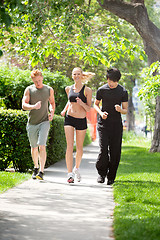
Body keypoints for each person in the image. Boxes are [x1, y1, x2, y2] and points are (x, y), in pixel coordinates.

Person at [94, 68, 128, 185]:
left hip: (116, 126)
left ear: (117, 80)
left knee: (115, 152)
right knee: (103, 150)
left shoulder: (123, 92)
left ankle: (111, 177)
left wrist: (120, 110)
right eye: (109, 81)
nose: (110, 83)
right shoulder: (101, 90)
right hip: (103, 125)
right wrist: (101, 113)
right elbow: (96, 104)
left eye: (113, 81)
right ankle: (101, 174)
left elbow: (125, 110)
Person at [61, 67, 94, 183]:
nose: (76, 76)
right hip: (69, 118)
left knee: (79, 148)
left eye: (78, 74)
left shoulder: (87, 90)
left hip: (81, 120)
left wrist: (81, 103)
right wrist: (64, 110)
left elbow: (89, 108)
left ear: (82, 75)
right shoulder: (68, 88)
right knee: (69, 146)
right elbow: (69, 101)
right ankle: (70, 174)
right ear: (72, 75)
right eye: (74, 74)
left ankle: (77, 168)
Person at [22, 69, 55, 180]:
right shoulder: (29, 90)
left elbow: (52, 103)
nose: (38, 83)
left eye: (40, 80)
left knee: (42, 145)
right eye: (36, 81)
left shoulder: (49, 89)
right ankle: (35, 167)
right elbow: (23, 105)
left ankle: (41, 171)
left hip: (44, 121)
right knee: (34, 147)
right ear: (32, 80)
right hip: (32, 123)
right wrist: (33, 107)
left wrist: (52, 112)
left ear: (42, 78)